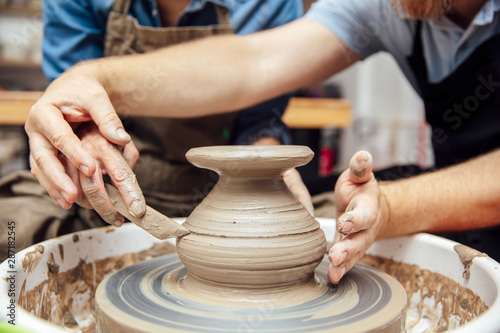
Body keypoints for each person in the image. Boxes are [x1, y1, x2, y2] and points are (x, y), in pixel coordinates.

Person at [25, 0, 500, 283]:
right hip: (121, 177)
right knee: (18, 233)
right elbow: (253, 63)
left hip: (473, 203)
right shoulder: (389, 5)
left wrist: (391, 207)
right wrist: (91, 79)